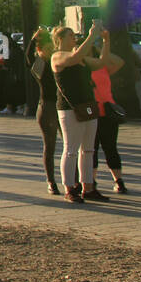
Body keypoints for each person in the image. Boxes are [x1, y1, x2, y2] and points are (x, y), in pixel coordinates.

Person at [51, 22, 118, 204]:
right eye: (70, 35)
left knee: (88, 149)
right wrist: (92, 35)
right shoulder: (58, 56)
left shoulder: (80, 58)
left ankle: (88, 187)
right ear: (61, 39)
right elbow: (74, 57)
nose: (74, 38)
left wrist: (106, 40)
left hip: (88, 105)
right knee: (71, 149)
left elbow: (102, 63)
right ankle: (69, 188)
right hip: (69, 108)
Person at [90, 38, 128, 194]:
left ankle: (118, 180)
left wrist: (101, 49)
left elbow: (119, 62)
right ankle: (91, 181)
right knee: (92, 149)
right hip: (91, 112)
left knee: (109, 147)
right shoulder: (82, 68)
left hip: (107, 112)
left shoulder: (103, 67)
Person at [29, 27, 61, 195]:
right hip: (47, 106)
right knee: (50, 146)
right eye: (46, 48)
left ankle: (74, 181)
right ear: (40, 50)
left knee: (70, 146)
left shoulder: (57, 61)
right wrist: (34, 40)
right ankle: (51, 181)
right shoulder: (40, 64)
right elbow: (28, 58)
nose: (50, 51)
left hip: (61, 105)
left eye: (52, 47)